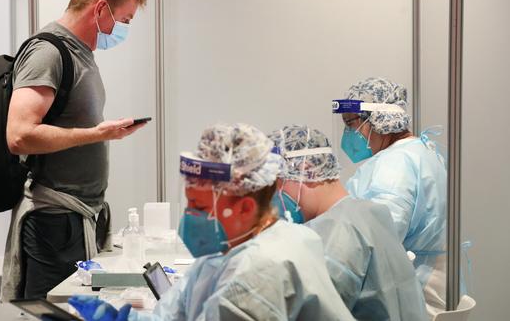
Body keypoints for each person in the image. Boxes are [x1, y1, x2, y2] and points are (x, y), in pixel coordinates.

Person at [69, 123, 355, 321]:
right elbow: (175, 312)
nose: (189, 217)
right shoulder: (227, 251)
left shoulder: (260, 271)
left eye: (200, 207)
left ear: (244, 207)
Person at [0, 0, 148, 300]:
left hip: (75, 218)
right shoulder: (48, 52)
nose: (123, 29)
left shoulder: (82, 54)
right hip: (52, 222)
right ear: (100, 9)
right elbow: (19, 135)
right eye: (124, 20)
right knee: (50, 309)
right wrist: (99, 134)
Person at [269, 124, 428, 321]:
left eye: (276, 185)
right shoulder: (368, 212)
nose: (273, 197)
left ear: (306, 172)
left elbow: (313, 312)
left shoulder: (339, 232)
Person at [332, 77, 448, 315]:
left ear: (377, 118)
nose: (348, 133)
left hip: (410, 296)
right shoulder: (420, 150)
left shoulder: (395, 165)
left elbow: (377, 240)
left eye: (350, 123)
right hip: (422, 283)